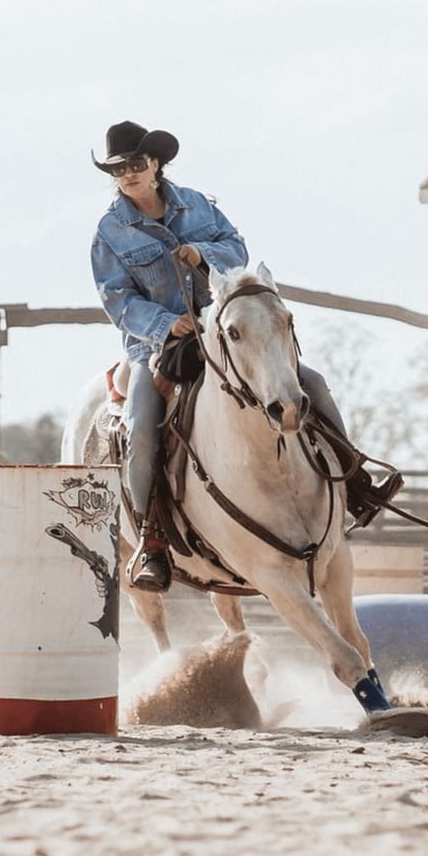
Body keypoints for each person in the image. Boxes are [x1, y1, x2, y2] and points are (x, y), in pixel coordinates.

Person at [91, 120, 403, 592]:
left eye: (136, 165)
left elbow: (236, 250)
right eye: (118, 169)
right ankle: (152, 540)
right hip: (158, 347)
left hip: (227, 332)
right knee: (140, 427)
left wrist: (202, 255)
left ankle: (355, 485)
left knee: (309, 383)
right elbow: (116, 298)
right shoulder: (110, 231)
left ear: (155, 164)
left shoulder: (196, 204)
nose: (128, 175)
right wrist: (163, 323)